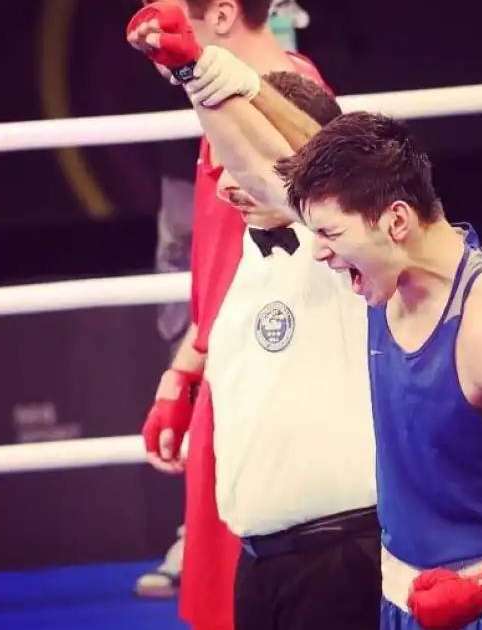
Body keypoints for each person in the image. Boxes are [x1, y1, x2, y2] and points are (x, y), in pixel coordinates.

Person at [275, 112, 482, 629]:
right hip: (402, 600)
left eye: (328, 233)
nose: (318, 251)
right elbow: (262, 158)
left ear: (396, 221)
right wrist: (205, 72)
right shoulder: (379, 280)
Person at [130, 11, 384, 628]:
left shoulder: (277, 102)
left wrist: (197, 70)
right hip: (239, 356)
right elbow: (229, 262)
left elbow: (295, 181)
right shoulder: (227, 108)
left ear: (219, 14)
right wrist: (188, 369)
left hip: (292, 402)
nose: (228, 186)